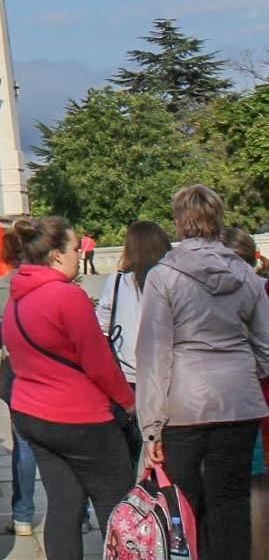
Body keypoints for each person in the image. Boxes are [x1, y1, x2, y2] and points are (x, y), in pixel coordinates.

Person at [137, 183, 269, 558]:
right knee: (232, 502)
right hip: (239, 402)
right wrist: (243, 368)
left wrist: (151, 427)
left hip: (184, 405)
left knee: (185, 506)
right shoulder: (246, 276)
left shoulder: (163, 277)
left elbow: (154, 355)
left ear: (179, 222)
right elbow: (266, 345)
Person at [2, 215, 134, 560]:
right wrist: (130, 403)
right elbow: (99, 363)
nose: (79, 253)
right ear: (57, 255)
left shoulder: (17, 296)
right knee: (115, 503)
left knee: (64, 505)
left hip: (33, 414)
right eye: (76, 247)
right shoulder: (66, 296)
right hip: (80, 417)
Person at [0, 225, 36, 538]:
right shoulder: (54, 283)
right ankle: (81, 512)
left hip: (17, 373)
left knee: (24, 444)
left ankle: (23, 515)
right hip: (51, 374)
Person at [95, 220, 171, 392]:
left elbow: (102, 326)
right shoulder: (171, 279)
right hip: (167, 370)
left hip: (127, 371)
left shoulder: (116, 281)